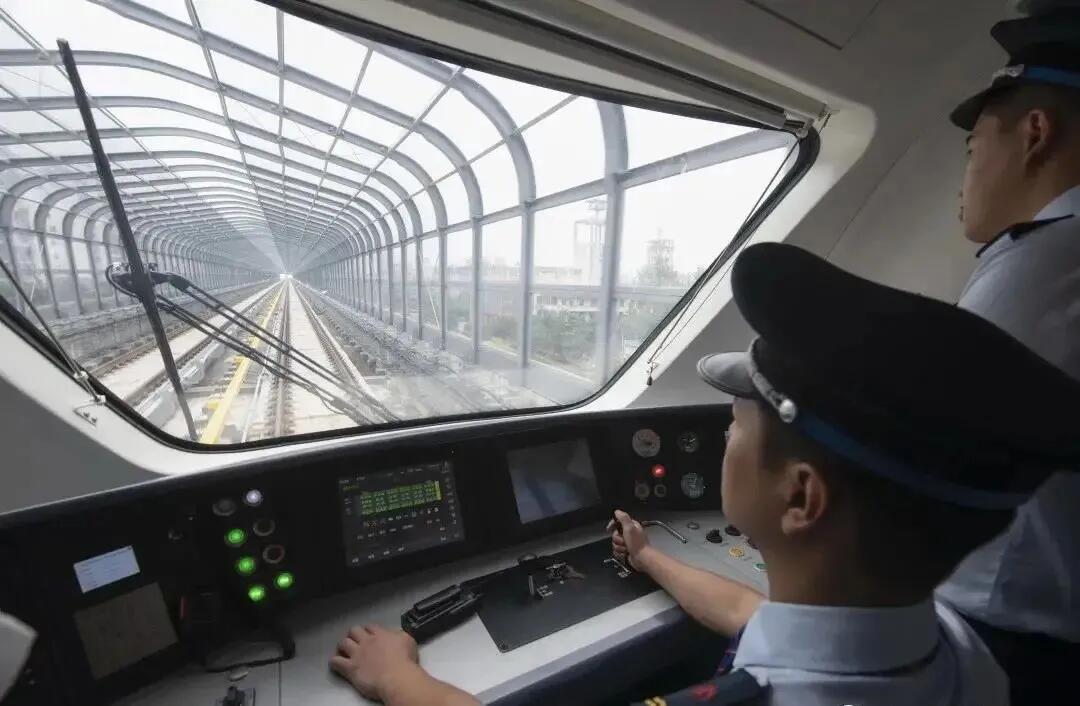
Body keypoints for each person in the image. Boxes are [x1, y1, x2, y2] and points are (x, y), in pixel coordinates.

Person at [328, 243, 1080, 705]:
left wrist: (401, 680)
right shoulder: (959, 650)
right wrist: (653, 560)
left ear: (800, 496)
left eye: (740, 422)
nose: (724, 434)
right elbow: (764, 618)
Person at [935, 4, 1080, 703]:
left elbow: (939, 439)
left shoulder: (1047, 259)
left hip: (1016, 643)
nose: (963, 181)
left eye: (971, 151)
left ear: (1034, 134)